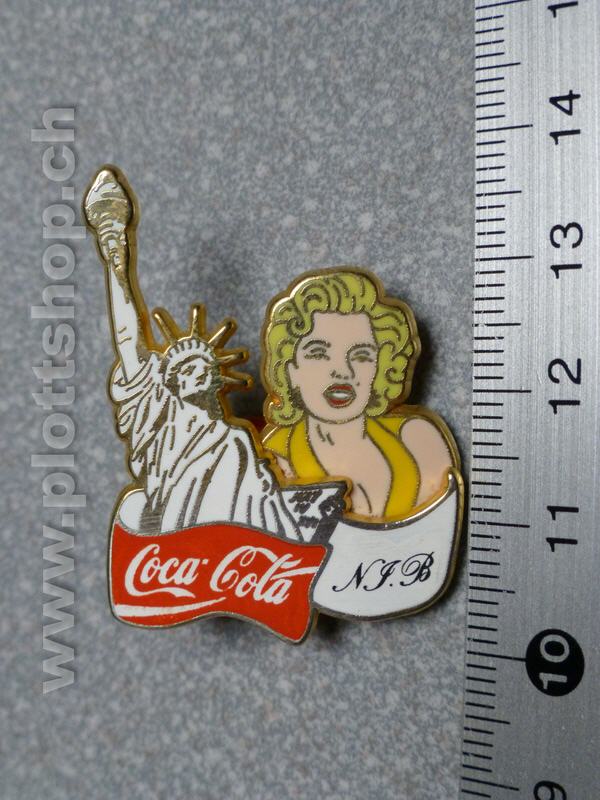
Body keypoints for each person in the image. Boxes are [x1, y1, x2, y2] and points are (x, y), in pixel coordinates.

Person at [84, 167, 300, 537]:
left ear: (218, 379)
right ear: (169, 384)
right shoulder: (159, 422)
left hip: (241, 555)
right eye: (184, 370)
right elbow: (128, 340)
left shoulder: (237, 441)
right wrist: (116, 261)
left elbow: (265, 506)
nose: (195, 373)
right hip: (177, 545)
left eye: (202, 367)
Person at [261, 269, 458, 520]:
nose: (343, 371)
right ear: (290, 369)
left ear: (382, 367)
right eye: (318, 353)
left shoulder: (417, 441)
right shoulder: (273, 460)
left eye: (361, 355)